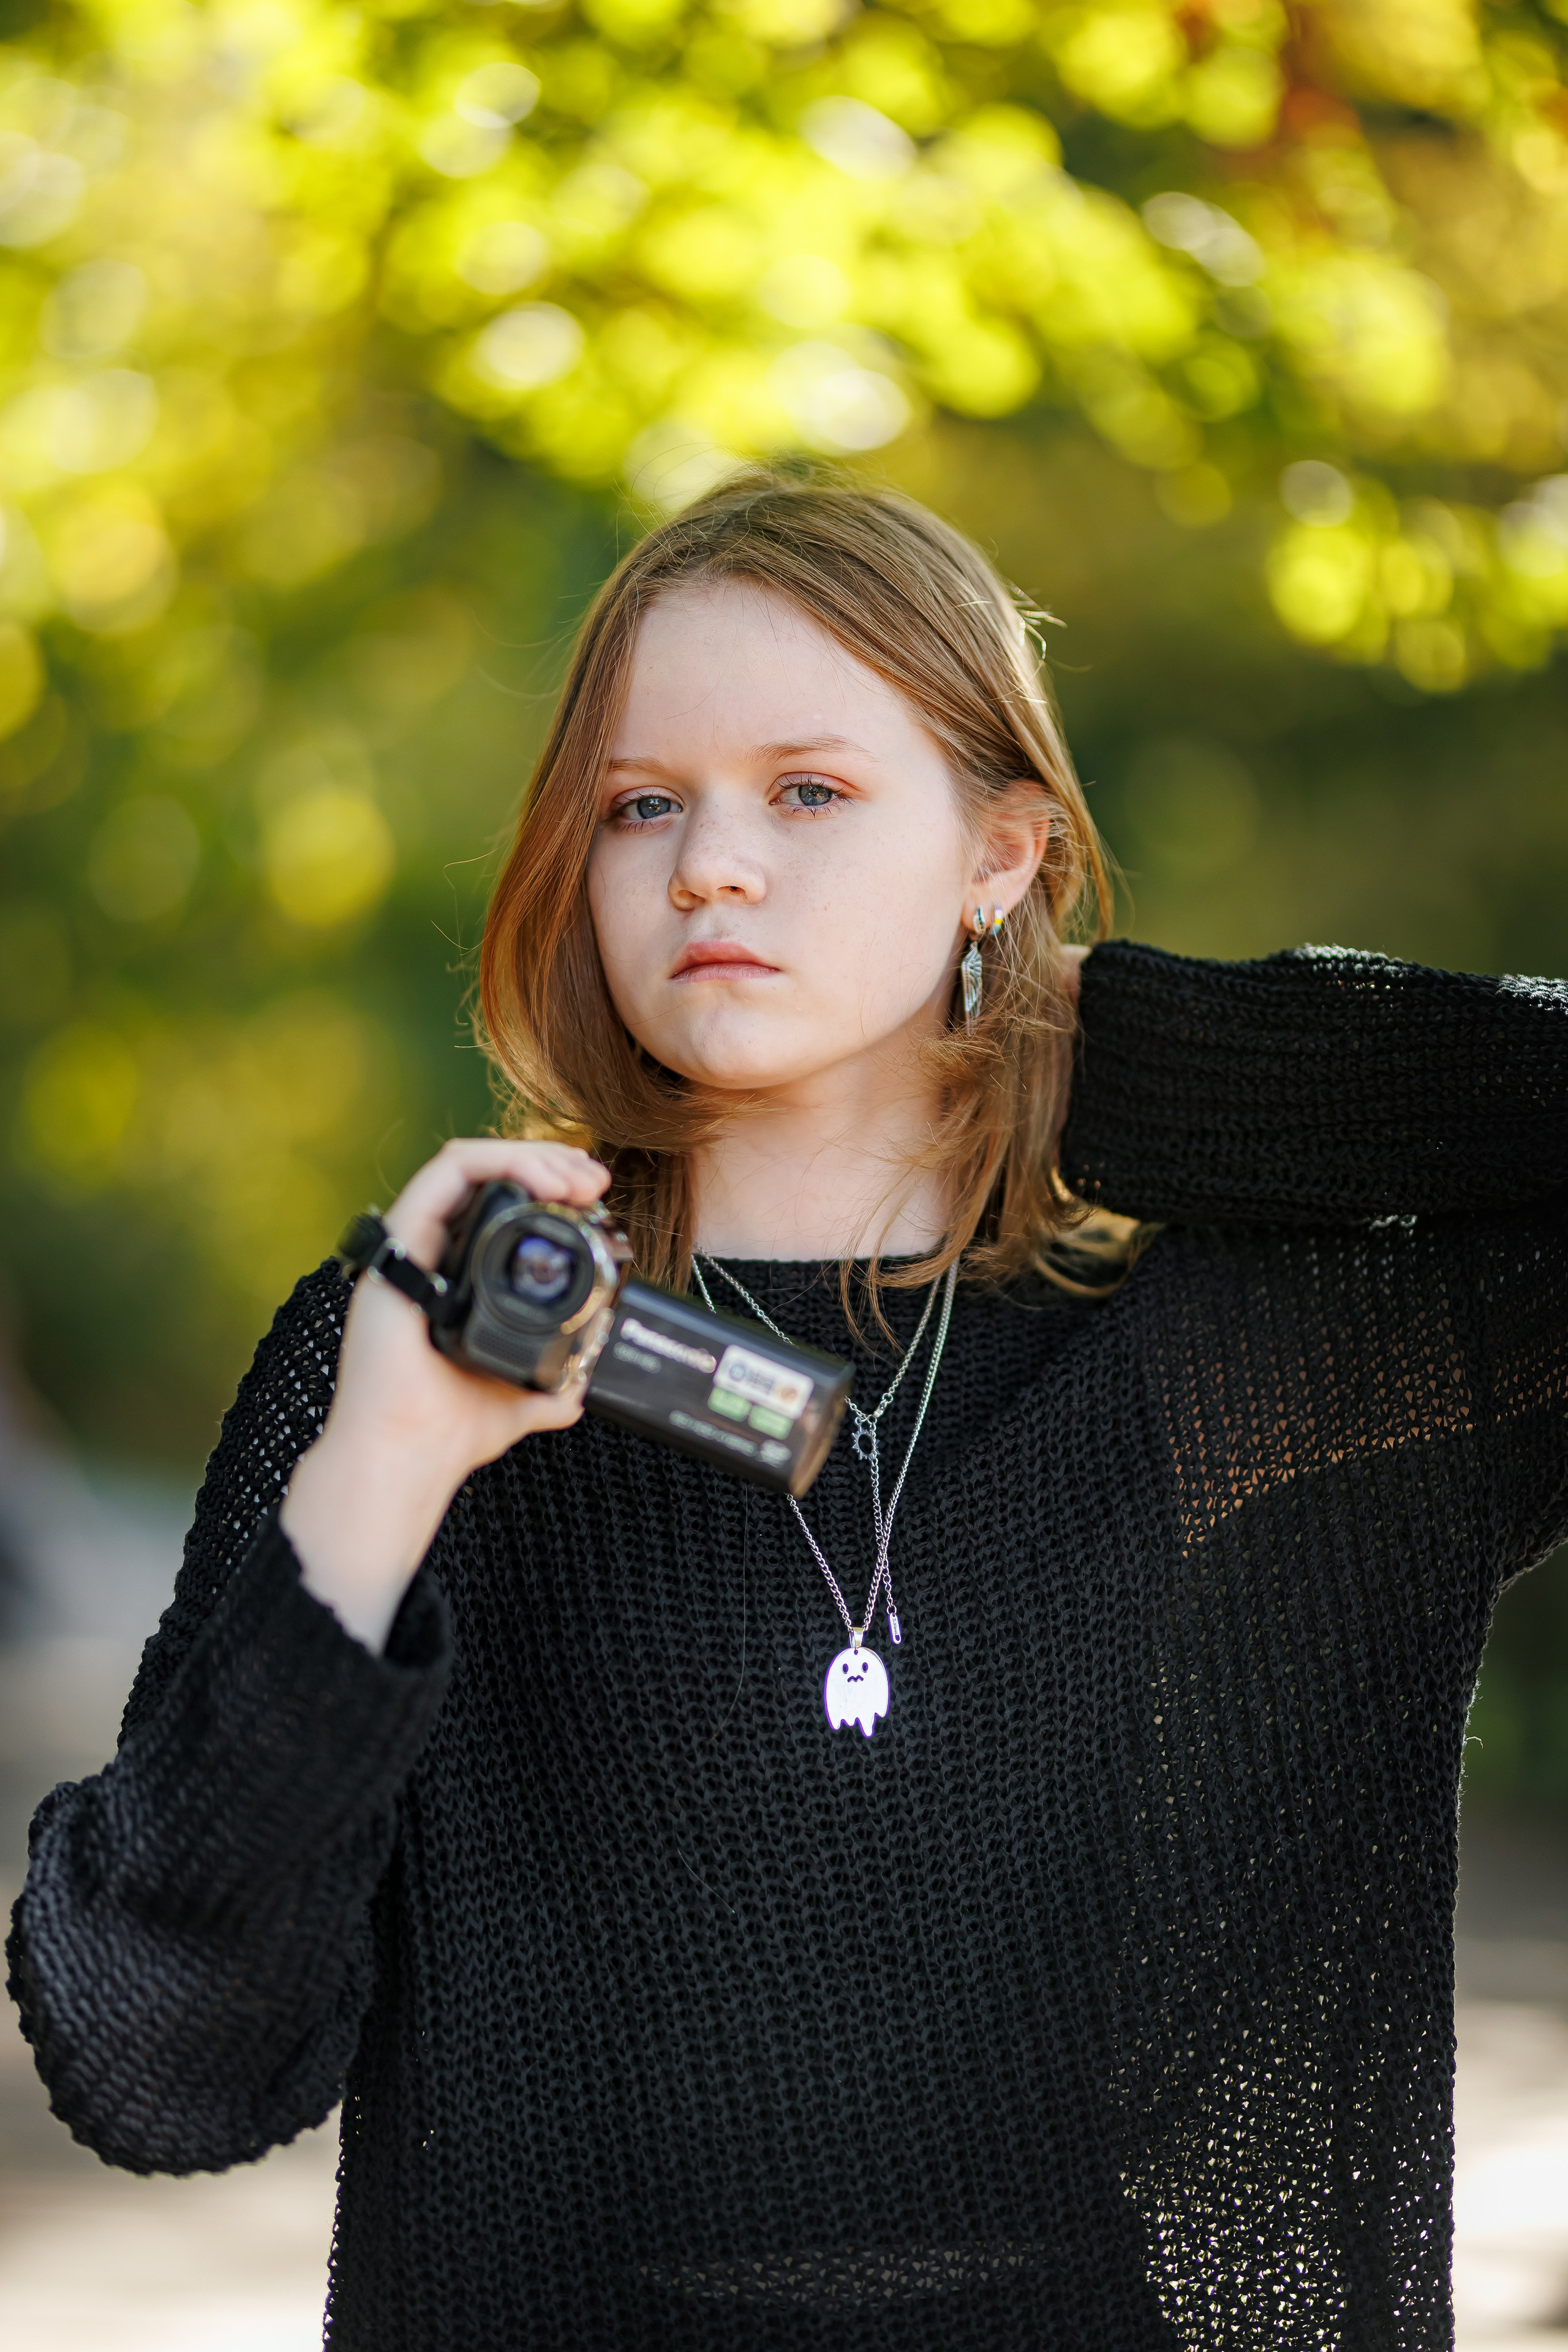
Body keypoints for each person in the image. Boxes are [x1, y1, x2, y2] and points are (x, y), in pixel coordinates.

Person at [8, 470, 1566, 2352]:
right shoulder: (423, 1359)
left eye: (808, 792)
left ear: (1003, 849)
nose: (710, 864)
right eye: (641, 804)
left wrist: (1103, 1054)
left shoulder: (1218, 1356)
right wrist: (391, 1461)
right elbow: (162, 2052)